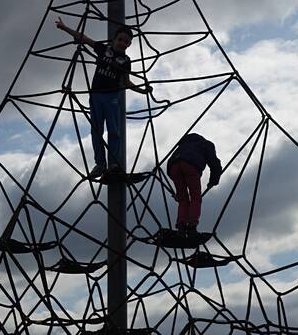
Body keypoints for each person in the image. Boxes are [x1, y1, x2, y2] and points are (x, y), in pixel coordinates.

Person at [55, 16, 152, 177]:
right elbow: (84, 39)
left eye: (127, 42)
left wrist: (143, 91)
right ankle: (100, 164)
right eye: (120, 39)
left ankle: (114, 163)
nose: (123, 43)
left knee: (114, 131)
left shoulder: (126, 61)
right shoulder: (103, 49)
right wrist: (65, 28)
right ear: (114, 39)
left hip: (112, 97)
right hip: (96, 96)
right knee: (96, 131)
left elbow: (126, 82)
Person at [167, 133, 222, 237]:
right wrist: (213, 182)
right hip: (190, 165)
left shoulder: (183, 145)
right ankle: (192, 226)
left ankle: (181, 226)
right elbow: (215, 164)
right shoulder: (206, 144)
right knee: (195, 198)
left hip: (173, 167)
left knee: (183, 200)